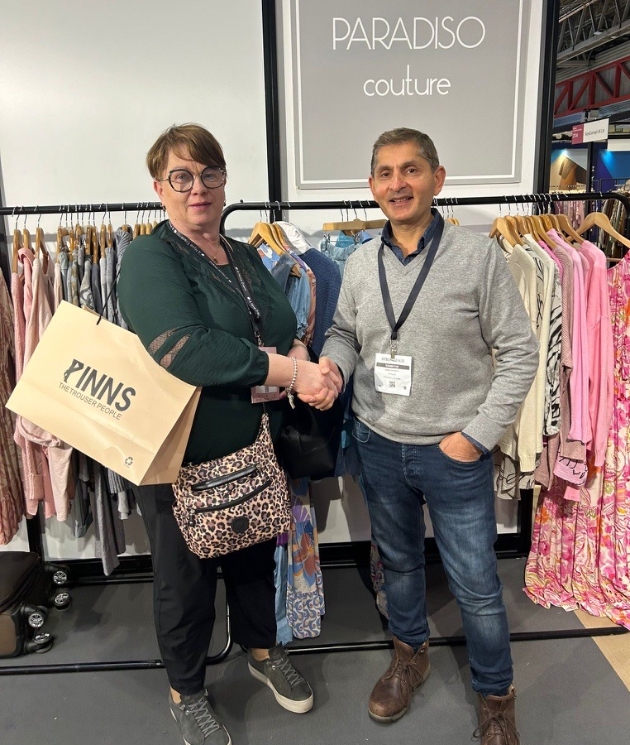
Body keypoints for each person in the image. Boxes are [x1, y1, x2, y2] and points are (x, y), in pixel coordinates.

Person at [117, 123, 341, 745]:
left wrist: (302, 360)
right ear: (159, 187)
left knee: (250, 560)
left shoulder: (240, 253)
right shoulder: (149, 258)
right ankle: (186, 691)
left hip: (253, 443)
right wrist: (291, 368)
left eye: (209, 175)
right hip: (181, 455)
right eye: (182, 178)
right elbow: (183, 348)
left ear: (223, 181)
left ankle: (263, 651)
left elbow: (283, 319)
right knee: (184, 581)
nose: (198, 190)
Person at [315, 128, 538, 745]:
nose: (398, 183)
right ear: (372, 187)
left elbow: (520, 352)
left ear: (438, 179)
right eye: (385, 173)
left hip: (452, 450)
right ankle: (408, 656)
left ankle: (496, 697)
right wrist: (333, 367)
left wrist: (477, 436)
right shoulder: (359, 263)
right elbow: (343, 334)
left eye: (411, 170)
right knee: (400, 567)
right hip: (380, 443)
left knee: (475, 583)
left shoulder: (478, 256)